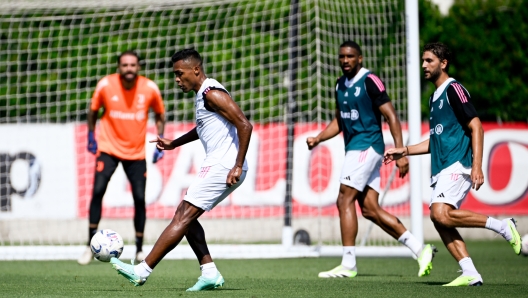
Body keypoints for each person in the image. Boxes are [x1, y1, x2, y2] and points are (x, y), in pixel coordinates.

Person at [109, 48, 252, 291]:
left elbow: (245, 125)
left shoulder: (212, 93)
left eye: (179, 74)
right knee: (186, 216)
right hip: (221, 163)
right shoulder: (203, 95)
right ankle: (209, 271)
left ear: (195, 70)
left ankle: (142, 270)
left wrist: (237, 165)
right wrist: (174, 143)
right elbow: (203, 127)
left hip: (224, 164)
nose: (177, 79)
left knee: (183, 216)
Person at [384, 42, 522, 286]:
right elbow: (434, 141)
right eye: (423, 61)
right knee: (440, 219)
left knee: (439, 213)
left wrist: (477, 165)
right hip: (443, 166)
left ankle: (502, 226)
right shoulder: (433, 98)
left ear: (443, 63)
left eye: (429, 61)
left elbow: (476, 126)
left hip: (458, 163)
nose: (424, 65)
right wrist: (403, 150)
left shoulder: (453, 89)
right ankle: (469, 272)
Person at [306, 40, 436, 279]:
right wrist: (319, 138)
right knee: (370, 210)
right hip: (354, 149)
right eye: (342, 57)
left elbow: (391, 116)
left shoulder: (370, 81)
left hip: (367, 146)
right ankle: (421, 249)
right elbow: (340, 121)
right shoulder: (339, 85)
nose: (345, 61)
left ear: (360, 58)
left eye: (350, 56)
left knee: (344, 198)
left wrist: (400, 152)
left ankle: (348, 263)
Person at [77, 50, 166, 265]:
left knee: (139, 198)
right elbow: (92, 111)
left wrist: (161, 138)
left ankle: (138, 250)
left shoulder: (150, 88)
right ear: (119, 67)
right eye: (125, 65)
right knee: (97, 192)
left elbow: (160, 114)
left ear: (139, 67)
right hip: (108, 148)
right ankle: (90, 245)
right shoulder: (105, 85)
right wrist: (91, 134)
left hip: (135, 152)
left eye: (133, 65)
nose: (129, 69)